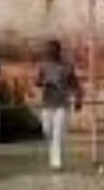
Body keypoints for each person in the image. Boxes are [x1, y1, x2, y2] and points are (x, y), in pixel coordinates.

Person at [35, 40, 82, 171]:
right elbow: (37, 82)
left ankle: (56, 162)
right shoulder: (43, 65)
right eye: (47, 50)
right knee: (47, 131)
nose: (49, 52)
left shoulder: (67, 66)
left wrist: (78, 99)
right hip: (47, 103)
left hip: (62, 104)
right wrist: (44, 82)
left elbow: (75, 84)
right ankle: (54, 155)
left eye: (52, 50)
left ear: (58, 51)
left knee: (58, 133)